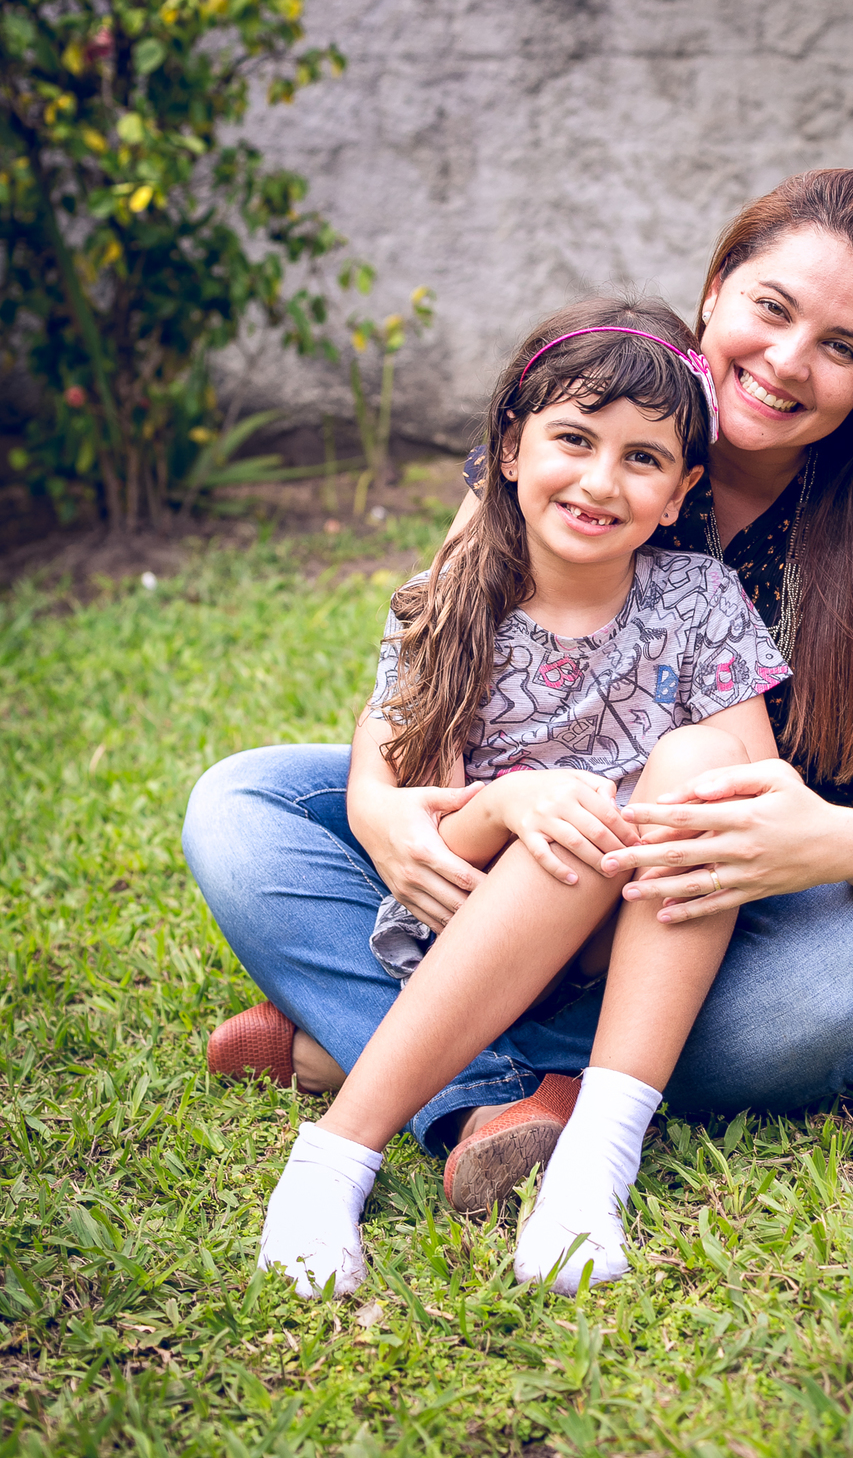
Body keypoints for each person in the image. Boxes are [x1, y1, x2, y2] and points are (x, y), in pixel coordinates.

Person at [183, 167, 853, 1282]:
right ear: (717, 289)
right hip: (524, 842)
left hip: (761, 896)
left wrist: (822, 839)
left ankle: (389, 1046)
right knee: (239, 805)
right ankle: (502, 1080)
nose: (787, 360)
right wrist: (382, 809)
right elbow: (431, 666)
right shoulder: (588, 403)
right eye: (772, 308)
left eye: (842, 346)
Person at [244, 298, 792, 1296]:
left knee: (689, 770)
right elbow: (425, 847)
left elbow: (743, 798)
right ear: (507, 448)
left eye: (642, 458)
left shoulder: (701, 599)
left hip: (644, 939)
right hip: (473, 931)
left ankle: (589, 1164)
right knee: (252, 818)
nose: (600, 480)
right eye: (573, 439)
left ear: (681, 491)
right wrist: (511, 805)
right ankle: (333, 1157)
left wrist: (617, 814)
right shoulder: (450, 605)